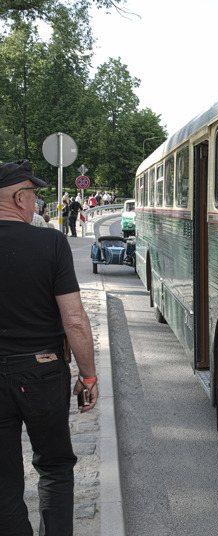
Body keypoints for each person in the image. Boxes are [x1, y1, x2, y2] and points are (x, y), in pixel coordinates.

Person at [0, 159, 98, 536]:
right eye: (35, 195)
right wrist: (87, 375)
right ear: (20, 198)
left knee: (3, 481)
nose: (37, 203)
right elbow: (74, 319)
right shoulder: (51, 242)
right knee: (55, 467)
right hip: (42, 371)